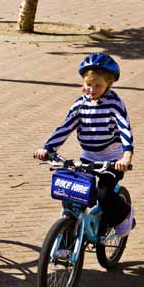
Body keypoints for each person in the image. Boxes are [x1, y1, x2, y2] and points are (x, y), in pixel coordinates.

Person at [34, 53, 135, 236]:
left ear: (108, 85)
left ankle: (125, 214)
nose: (92, 89)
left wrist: (126, 156)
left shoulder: (114, 104)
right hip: (88, 156)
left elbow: (124, 129)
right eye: (89, 84)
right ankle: (65, 242)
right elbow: (65, 128)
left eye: (98, 86)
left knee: (104, 195)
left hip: (112, 158)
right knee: (72, 197)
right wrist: (48, 149)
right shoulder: (80, 105)